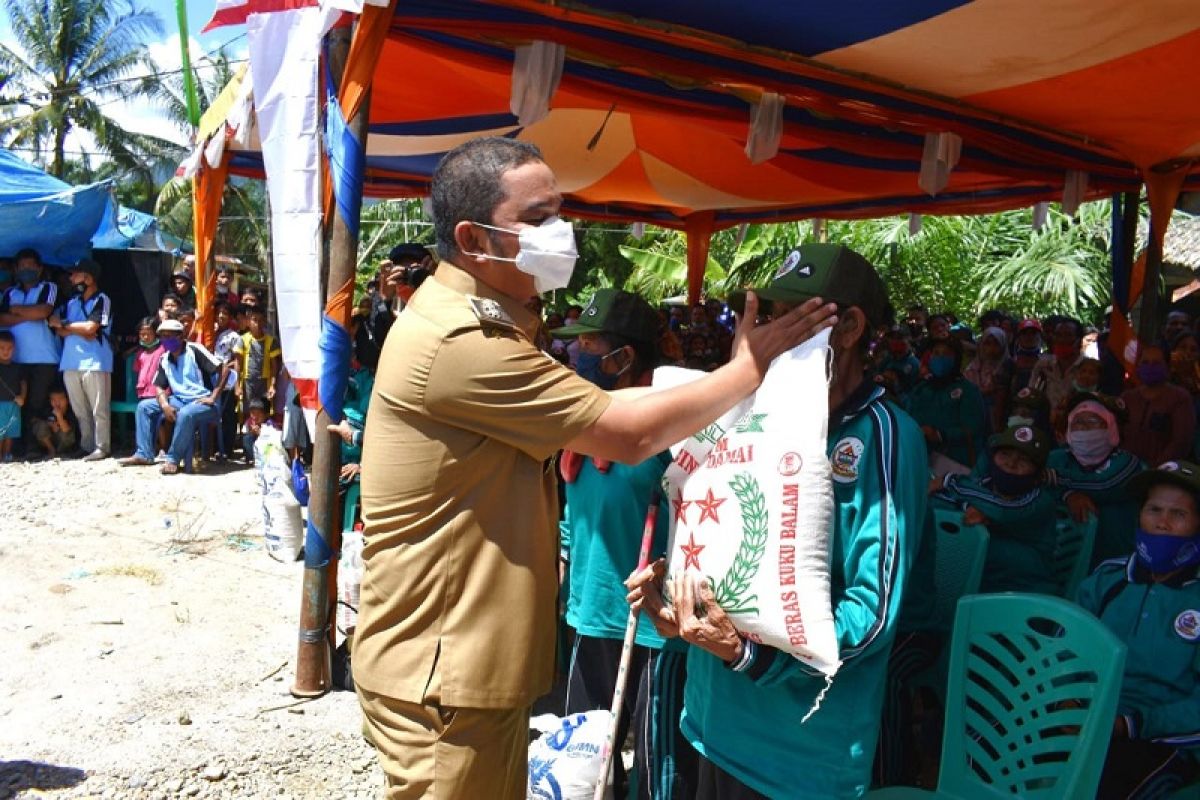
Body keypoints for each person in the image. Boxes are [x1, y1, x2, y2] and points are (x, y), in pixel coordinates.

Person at [352, 137, 836, 799]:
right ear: (473, 236)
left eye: (561, 212)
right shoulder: (459, 342)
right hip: (442, 665)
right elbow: (624, 433)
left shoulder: (483, 323)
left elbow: (607, 402)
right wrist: (747, 368)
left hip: (461, 658)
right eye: (539, 217)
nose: (561, 232)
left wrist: (720, 383)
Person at [626, 243, 926, 799]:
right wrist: (676, 599)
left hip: (797, 753)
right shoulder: (751, 410)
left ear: (850, 326)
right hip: (712, 721)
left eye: (792, 317)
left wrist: (753, 656)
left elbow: (875, 614)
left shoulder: (880, 436)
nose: (767, 332)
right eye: (764, 315)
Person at [550, 288, 694, 800]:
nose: (574, 356)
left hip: (652, 629)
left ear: (623, 357)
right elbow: (575, 516)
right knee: (585, 761)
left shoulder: (669, 428)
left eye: (587, 345)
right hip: (589, 614)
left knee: (659, 775)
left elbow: (699, 526)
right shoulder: (580, 424)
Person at [1078, 461, 1200, 799]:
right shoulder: (1109, 578)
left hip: (1159, 736)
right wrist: (1068, 701)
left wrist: (1129, 724)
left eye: (1179, 514)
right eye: (1154, 509)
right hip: (1088, 715)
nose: (1162, 522)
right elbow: (1066, 649)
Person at [933, 425, 1057, 594]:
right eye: (1005, 454)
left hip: (1028, 588)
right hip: (985, 581)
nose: (1011, 463)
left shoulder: (1041, 501)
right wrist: (969, 505)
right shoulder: (983, 486)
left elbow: (1001, 509)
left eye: (1023, 460)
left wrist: (951, 481)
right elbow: (940, 500)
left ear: (1037, 473)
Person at [118, 319, 230, 475]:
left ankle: (173, 459)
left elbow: (224, 369)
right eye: (163, 336)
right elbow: (158, 386)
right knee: (144, 407)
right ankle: (144, 454)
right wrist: (164, 405)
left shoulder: (194, 350)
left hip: (202, 401)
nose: (166, 340)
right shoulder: (165, 358)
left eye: (170, 336)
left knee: (186, 414)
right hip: (178, 400)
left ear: (180, 336)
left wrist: (213, 396)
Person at [1047, 394, 1145, 566]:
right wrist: (1068, 494)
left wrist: (1055, 479)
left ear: (1111, 428)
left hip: (1115, 562)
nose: (1085, 428)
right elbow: (1035, 486)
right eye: (1078, 422)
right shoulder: (1056, 459)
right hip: (1062, 560)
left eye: (1094, 421)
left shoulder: (1129, 464)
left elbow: (1104, 485)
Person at [49, 259, 113, 460]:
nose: (71, 278)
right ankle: (86, 445)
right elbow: (57, 329)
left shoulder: (102, 299)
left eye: (75, 274)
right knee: (80, 409)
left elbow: (91, 328)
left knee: (98, 408)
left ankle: (102, 447)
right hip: (70, 361)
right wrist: (77, 328)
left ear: (88, 277)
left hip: (96, 362)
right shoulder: (71, 302)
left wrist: (67, 325)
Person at [0, 248, 60, 451]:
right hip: (15, 358)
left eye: (31, 266)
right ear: (16, 269)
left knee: (37, 403)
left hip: (44, 358)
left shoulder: (48, 287)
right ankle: (16, 447)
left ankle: (34, 446)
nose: (27, 269)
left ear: (40, 268)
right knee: (16, 404)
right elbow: (2, 318)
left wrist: (16, 311)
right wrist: (31, 313)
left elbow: (45, 310)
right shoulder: (9, 293)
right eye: (23, 266)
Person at [905, 336, 987, 471]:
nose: (940, 358)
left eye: (947, 354)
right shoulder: (921, 388)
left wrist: (940, 435)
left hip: (955, 462)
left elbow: (974, 428)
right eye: (936, 353)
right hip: (918, 456)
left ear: (956, 359)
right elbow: (907, 416)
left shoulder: (968, 390)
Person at [1121, 343, 1196, 467]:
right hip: (1127, 469)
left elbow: (1181, 441)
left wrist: (1155, 468)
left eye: (1156, 363)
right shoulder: (1127, 397)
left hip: (1163, 472)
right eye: (1145, 362)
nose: (1150, 367)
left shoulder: (1180, 398)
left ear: (1167, 366)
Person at [1029, 318, 1086, 421]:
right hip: (1046, 426)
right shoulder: (1043, 366)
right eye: (1058, 335)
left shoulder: (1088, 367)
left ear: (1079, 340)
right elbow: (1032, 395)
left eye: (1067, 335)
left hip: (1078, 426)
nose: (1061, 340)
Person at [963, 326, 1014, 434]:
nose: (991, 348)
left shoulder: (1010, 368)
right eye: (987, 343)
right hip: (975, 419)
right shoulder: (973, 368)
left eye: (996, 343)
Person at [30, 384, 76, 459]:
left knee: (67, 433)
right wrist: (49, 424)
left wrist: (59, 417)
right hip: (49, 440)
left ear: (67, 400)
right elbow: (34, 420)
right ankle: (51, 449)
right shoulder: (47, 410)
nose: (57, 402)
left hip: (64, 441)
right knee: (39, 425)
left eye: (60, 399)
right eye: (53, 399)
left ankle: (62, 452)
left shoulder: (71, 411)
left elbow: (66, 430)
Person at [0, 330, 26, 462]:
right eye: (2, 348)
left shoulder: (17, 367)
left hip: (14, 404)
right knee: (0, 432)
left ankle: (7, 454)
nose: (6, 351)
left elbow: (23, 383)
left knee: (11, 431)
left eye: (9, 348)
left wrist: (22, 397)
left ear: (14, 348)